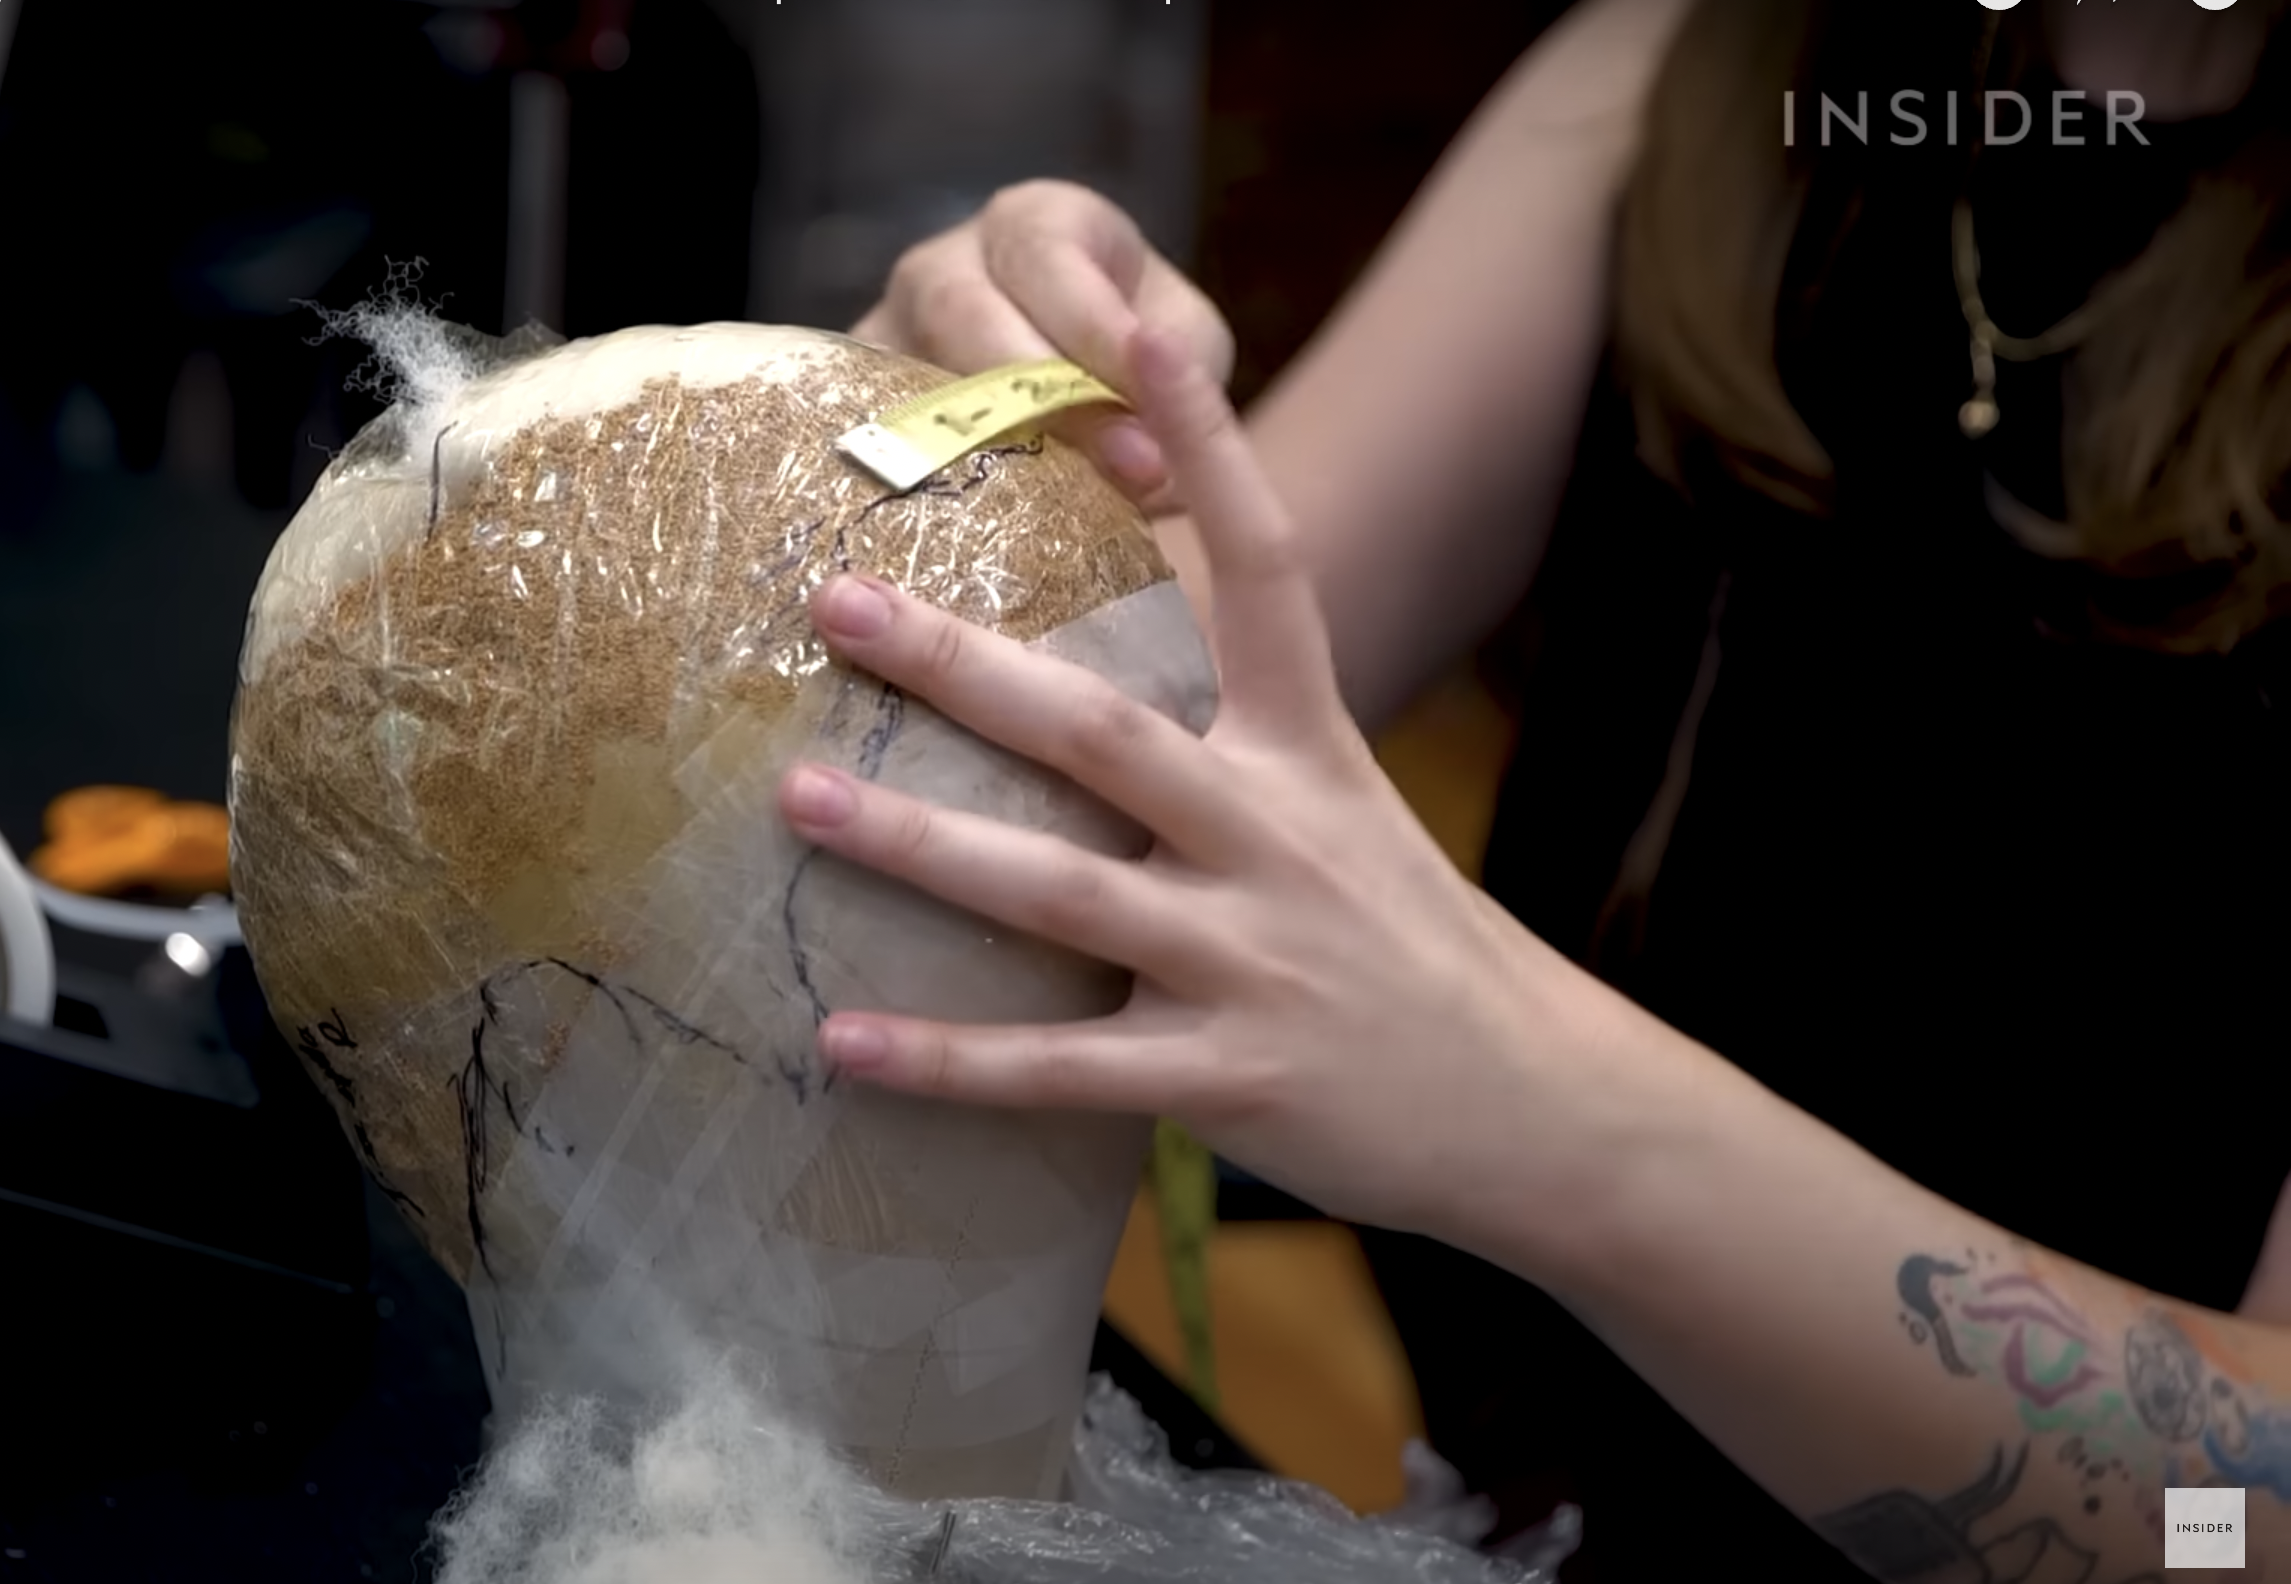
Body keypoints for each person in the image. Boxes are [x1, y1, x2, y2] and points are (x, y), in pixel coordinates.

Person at [780, 0, 2291, 1578]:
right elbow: (1106, 698)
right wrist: (922, 455)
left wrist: (1529, 1105)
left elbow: (2244, 1523)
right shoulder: (1688, 82)